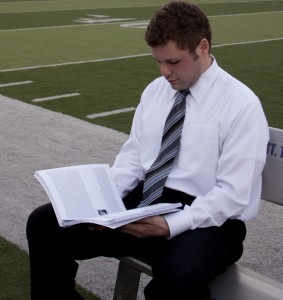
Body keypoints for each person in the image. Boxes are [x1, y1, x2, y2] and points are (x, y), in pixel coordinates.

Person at [26, 1, 269, 299]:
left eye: (174, 61)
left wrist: (169, 225)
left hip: (208, 220)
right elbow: (133, 159)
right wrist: (103, 206)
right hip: (146, 204)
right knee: (44, 225)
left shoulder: (241, 105)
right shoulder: (156, 91)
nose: (165, 71)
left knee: (181, 277)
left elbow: (233, 195)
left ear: (202, 47)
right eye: (158, 61)